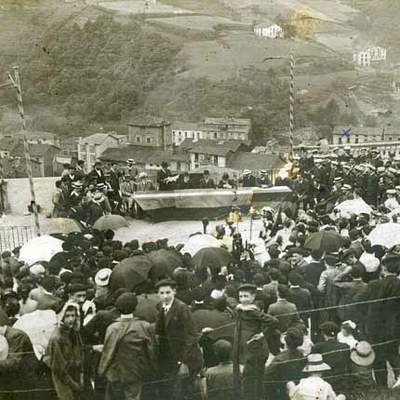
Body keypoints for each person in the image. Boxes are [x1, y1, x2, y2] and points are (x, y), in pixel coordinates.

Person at [99, 293, 157, 400]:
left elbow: (108, 353)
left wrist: (101, 371)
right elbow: (151, 350)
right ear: (135, 307)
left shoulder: (113, 328)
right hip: (136, 371)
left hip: (117, 372)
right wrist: (152, 368)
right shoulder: (145, 326)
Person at [154, 279, 203, 400]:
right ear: (158, 294)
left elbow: (191, 336)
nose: (165, 296)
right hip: (167, 355)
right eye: (162, 293)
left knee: (182, 390)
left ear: (174, 292)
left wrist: (184, 361)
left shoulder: (182, 308)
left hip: (182, 355)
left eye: (168, 292)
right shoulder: (160, 306)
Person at [356, 253, 400, 386]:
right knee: (393, 352)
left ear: (384, 269)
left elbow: (358, 301)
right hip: (395, 326)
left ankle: (382, 385)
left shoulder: (373, 284)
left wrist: (367, 315)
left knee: (378, 356)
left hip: (374, 326)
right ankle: (398, 376)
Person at [232, 283, 281, 400]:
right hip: (245, 348)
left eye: (246, 296)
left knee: (251, 380)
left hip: (254, 350)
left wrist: (262, 334)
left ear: (253, 297)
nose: (243, 300)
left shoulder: (253, 311)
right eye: (240, 296)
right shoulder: (241, 310)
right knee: (250, 379)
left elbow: (274, 321)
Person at [44, 301, 84, 400]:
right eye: (67, 316)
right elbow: (59, 368)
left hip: (75, 374)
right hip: (63, 379)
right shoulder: (56, 338)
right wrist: (73, 384)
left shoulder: (74, 332)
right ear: (61, 317)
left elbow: (80, 353)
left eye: (73, 315)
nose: (71, 319)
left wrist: (81, 375)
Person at [265, 326, 307, 400]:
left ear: (285, 340)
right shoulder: (301, 356)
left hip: (279, 393)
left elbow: (266, 376)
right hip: (296, 391)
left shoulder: (279, 359)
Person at [312, 321, 350, 391]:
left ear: (323, 333)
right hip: (342, 383)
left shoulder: (318, 347)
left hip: (324, 383)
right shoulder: (345, 346)